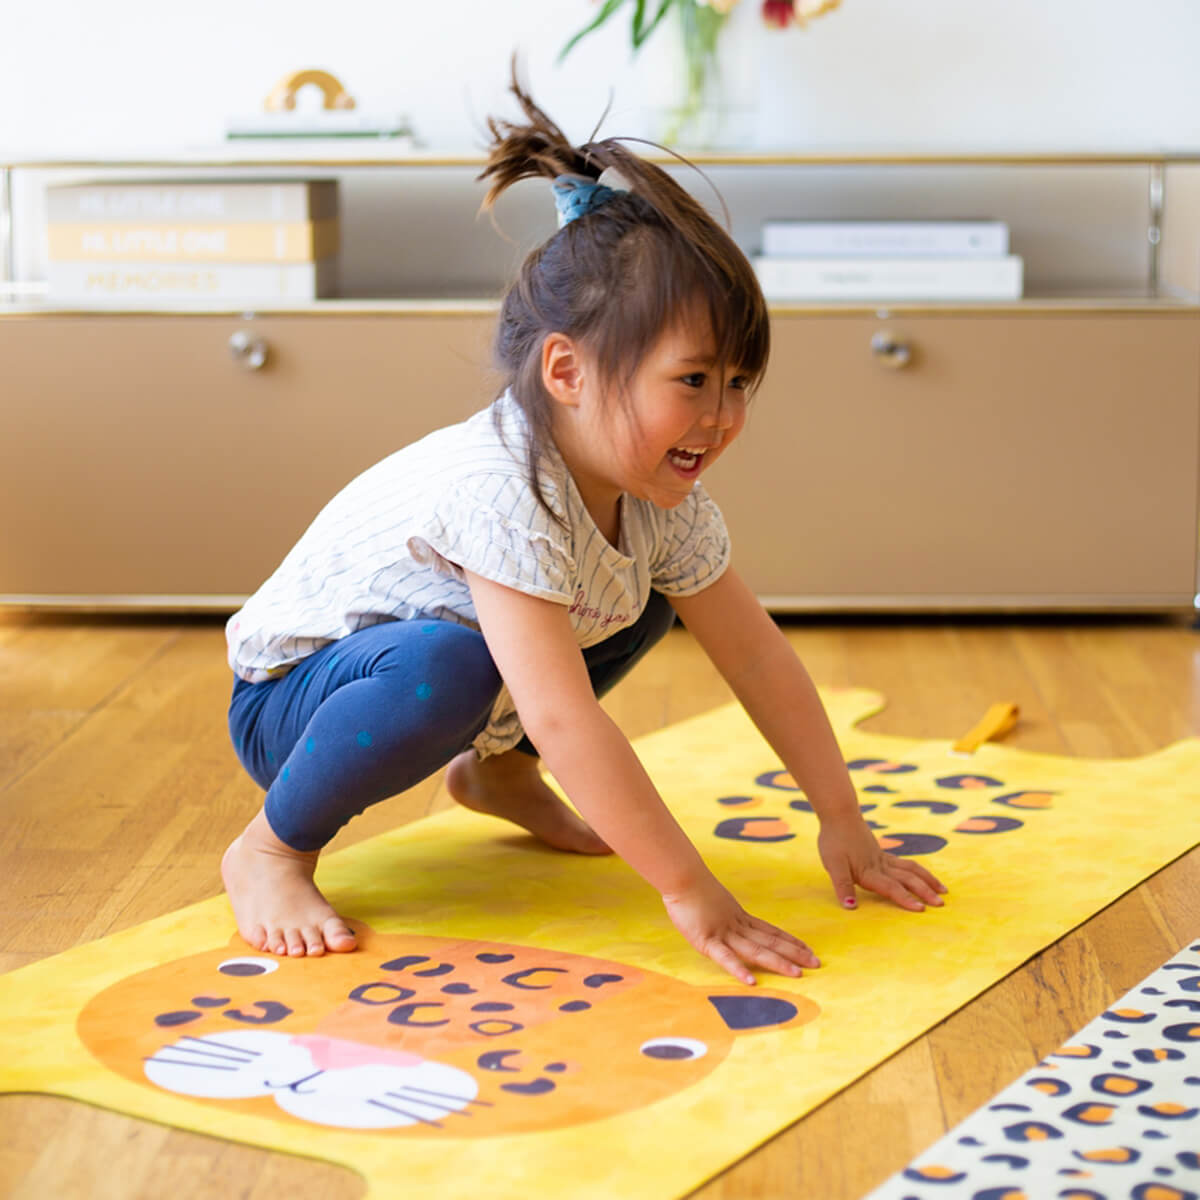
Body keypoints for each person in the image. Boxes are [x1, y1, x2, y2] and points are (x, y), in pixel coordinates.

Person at [221, 77, 946, 985]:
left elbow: (756, 657)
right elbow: (563, 715)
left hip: (452, 687)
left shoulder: (653, 495)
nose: (720, 417)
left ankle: (497, 777)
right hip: (300, 706)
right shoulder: (500, 486)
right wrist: (688, 889)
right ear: (566, 369)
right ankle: (270, 849)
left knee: (638, 593)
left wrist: (843, 817)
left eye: (737, 385)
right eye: (692, 381)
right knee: (454, 664)